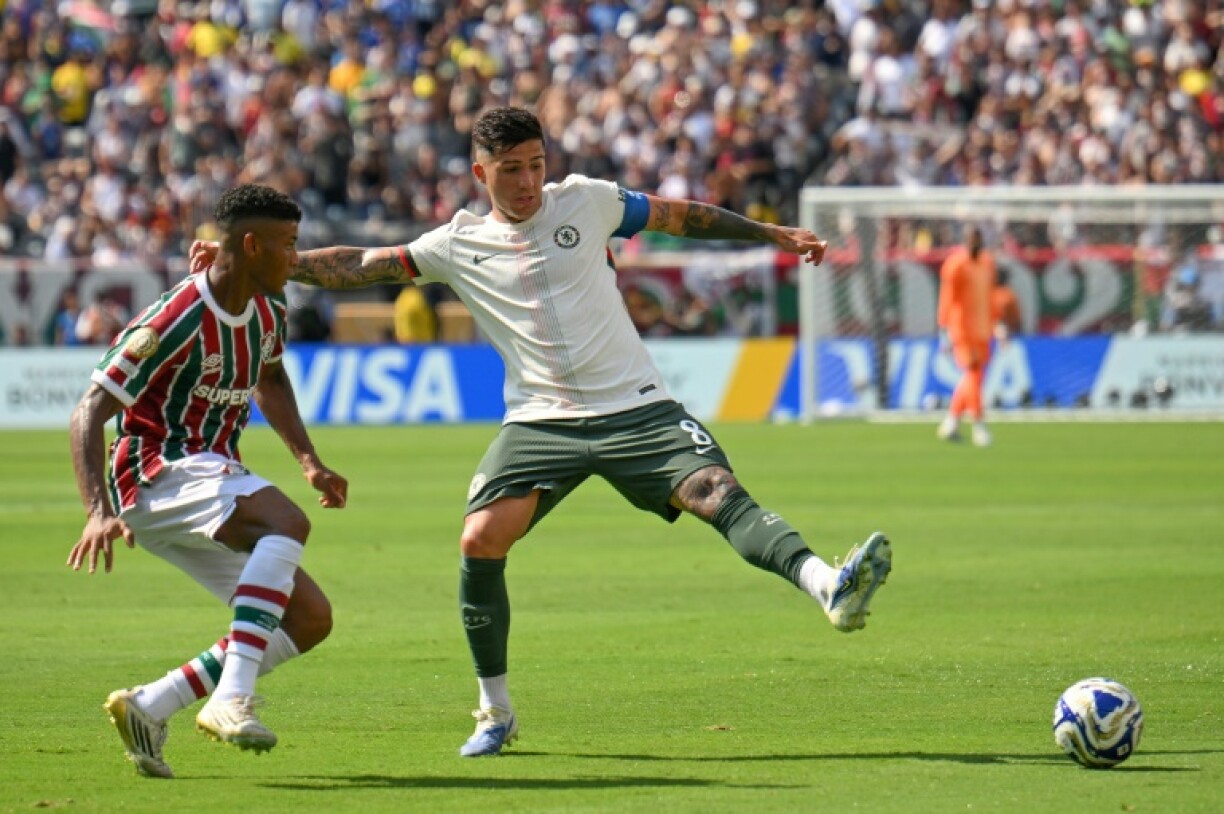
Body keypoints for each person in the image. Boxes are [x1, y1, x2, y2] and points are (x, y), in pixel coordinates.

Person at [191, 107, 892, 759]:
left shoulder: (588, 200)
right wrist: (249, 258)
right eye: (511, 169)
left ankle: (828, 585)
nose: (528, 181)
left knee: (717, 492)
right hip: (539, 421)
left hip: (636, 406)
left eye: (536, 164)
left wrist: (770, 233)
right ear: (480, 174)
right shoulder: (456, 243)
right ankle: (494, 712)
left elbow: (682, 215)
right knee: (479, 539)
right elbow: (361, 266)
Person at [69, 184, 348, 779]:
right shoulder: (175, 317)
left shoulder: (269, 309)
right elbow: (89, 409)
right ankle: (231, 698)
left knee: (307, 618)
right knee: (287, 521)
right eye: (289, 245)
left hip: (208, 474)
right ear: (251, 246)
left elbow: (270, 379)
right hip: (153, 469)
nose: (296, 258)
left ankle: (152, 704)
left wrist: (307, 459)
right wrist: (97, 509)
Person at [936, 225, 996, 447]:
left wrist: (997, 322)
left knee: (975, 377)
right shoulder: (955, 265)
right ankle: (979, 425)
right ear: (965, 241)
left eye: (978, 239)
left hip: (982, 329)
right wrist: (943, 329)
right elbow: (947, 298)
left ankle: (951, 422)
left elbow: (990, 296)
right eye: (971, 239)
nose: (975, 243)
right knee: (972, 372)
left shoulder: (987, 263)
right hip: (961, 329)